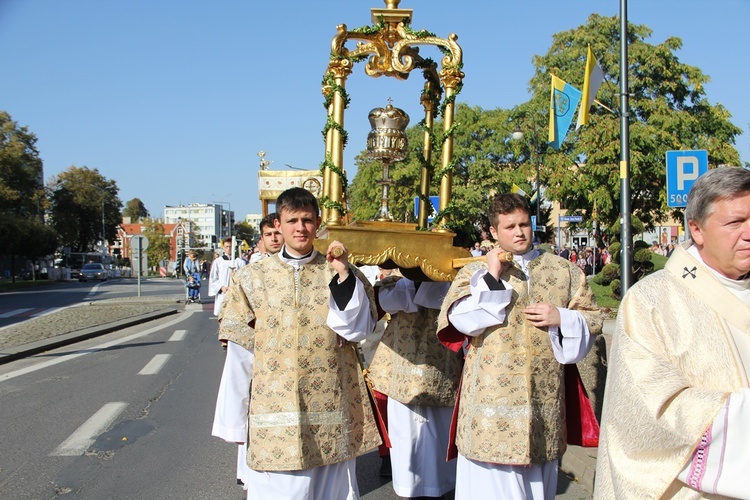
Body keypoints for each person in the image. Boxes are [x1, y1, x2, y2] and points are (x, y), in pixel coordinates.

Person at [211, 187, 381, 500]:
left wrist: (342, 275)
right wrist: (235, 421)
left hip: (331, 405)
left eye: (307, 220)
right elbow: (240, 354)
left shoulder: (343, 272)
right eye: (292, 221)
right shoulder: (252, 278)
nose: (300, 227)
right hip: (275, 410)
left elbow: (358, 329)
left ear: (318, 223)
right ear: (279, 224)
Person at [595, 167, 750, 499]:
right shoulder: (651, 301)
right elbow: (651, 416)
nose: (749, 232)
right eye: (735, 223)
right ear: (697, 229)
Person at [436, 192, 603, 499]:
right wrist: (492, 279)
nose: (519, 232)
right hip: (491, 405)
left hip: (544, 399)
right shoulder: (475, 272)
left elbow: (593, 319)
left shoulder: (563, 269)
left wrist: (562, 317)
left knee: (539, 486)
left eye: (524, 224)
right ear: (494, 232)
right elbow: (457, 321)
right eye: (510, 226)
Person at [367, 276, 462, 498]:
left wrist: (427, 280)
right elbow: (388, 303)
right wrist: (411, 281)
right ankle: (409, 486)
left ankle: (440, 486)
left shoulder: (453, 280)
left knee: (439, 430)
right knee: (405, 432)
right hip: (402, 363)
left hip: (441, 363)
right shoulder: (395, 283)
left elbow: (440, 302)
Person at [208, 237, 246, 317]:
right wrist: (221, 287)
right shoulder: (218, 262)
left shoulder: (240, 262)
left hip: (236, 294)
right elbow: (213, 278)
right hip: (223, 293)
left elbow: (245, 278)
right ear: (223, 248)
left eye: (230, 247)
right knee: (223, 316)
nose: (229, 249)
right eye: (226, 247)